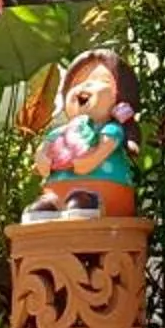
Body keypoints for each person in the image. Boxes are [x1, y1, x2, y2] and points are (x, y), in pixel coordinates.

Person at [24, 49, 139, 220]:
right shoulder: (59, 132)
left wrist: (88, 160)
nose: (85, 86)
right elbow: (43, 149)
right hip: (56, 190)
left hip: (106, 188)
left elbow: (103, 148)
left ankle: (87, 201)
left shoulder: (110, 129)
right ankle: (52, 204)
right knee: (45, 207)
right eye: (77, 81)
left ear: (120, 96)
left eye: (101, 80)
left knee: (82, 201)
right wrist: (42, 160)